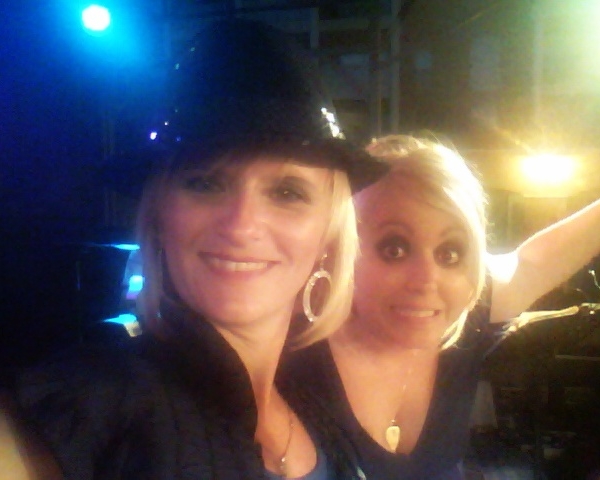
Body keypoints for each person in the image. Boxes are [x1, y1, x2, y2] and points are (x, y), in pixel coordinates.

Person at [0, 19, 388, 479]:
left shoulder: (316, 411)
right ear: (159, 216)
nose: (242, 225)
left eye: (288, 193)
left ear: (328, 234)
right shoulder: (93, 403)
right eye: (205, 183)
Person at [280, 134, 600, 479]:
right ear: (339, 245)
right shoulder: (283, 341)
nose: (426, 280)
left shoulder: (469, 310)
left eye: (450, 253)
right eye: (394, 249)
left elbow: (533, 263)